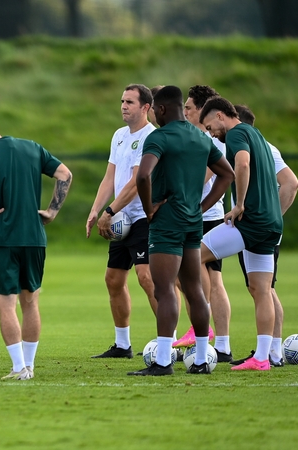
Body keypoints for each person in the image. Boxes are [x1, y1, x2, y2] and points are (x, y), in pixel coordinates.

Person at [128, 86, 234, 376]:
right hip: (191, 222)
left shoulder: (159, 137)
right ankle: (201, 359)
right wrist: (201, 207)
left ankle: (163, 362)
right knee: (195, 290)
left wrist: (149, 209)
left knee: (164, 291)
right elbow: (228, 174)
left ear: (161, 109)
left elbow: (144, 175)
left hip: (167, 223)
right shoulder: (200, 136)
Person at [0, 120, 72, 380]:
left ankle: (18, 367)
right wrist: (51, 211)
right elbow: (65, 175)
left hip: (4, 237)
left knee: (6, 304)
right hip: (35, 236)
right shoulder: (33, 147)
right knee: (31, 301)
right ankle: (30, 366)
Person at [198, 96, 283, 371]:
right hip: (272, 223)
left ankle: (200, 329)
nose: (211, 133)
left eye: (210, 127)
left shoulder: (236, 134)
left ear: (221, 115)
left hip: (251, 220)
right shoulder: (256, 134)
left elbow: (242, 165)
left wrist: (239, 205)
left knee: (190, 255)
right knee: (262, 289)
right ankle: (261, 358)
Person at [86, 84, 157, 359]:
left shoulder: (152, 136)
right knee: (113, 279)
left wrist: (110, 211)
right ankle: (123, 345)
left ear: (146, 107)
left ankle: (170, 341)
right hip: (120, 218)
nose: (123, 106)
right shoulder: (119, 135)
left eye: (129, 102)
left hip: (142, 217)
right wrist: (96, 210)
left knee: (147, 277)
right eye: (122, 101)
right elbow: (110, 177)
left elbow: (138, 182)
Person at [230, 104, 298, 367]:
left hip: (256, 229)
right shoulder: (262, 146)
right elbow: (290, 184)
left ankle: (273, 352)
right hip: (260, 228)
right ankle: (272, 351)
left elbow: (292, 184)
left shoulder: (260, 148)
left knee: (264, 288)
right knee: (260, 288)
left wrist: (268, 218)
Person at [172, 85, 227, 359]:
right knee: (214, 281)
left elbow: (202, 177)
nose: (185, 112)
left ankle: (200, 325)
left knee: (188, 272)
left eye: (189, 108)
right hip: (209, 214)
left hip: (203, 215)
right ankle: (224, 346)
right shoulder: (202, 137)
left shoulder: (210, 140)